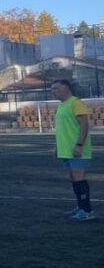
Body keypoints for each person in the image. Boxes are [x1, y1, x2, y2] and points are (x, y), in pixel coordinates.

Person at [51, 79, 94, 221]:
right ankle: (80, 206)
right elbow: (63, 129)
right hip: (66, 150)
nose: (53, 91)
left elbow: (84, 125)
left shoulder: (76, 102)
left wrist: (79, 145)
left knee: (79, 178)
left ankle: (86, 211)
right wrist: (58, 147)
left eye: (56, 88)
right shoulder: (61, 105)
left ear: (66, 88)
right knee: (74, 179)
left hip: (77, 149)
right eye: (52, 89)